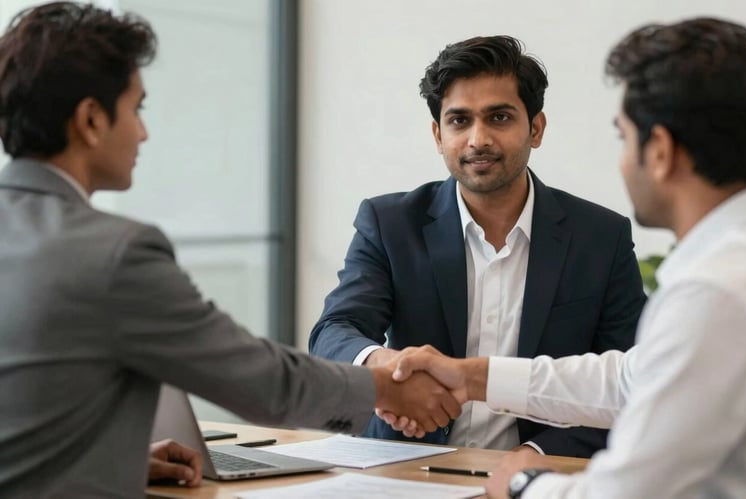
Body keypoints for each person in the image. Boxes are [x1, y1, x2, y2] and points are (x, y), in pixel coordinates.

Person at [0, 3, 461, 497]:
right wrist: (387, 386)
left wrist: (113, 458)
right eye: (136, 109)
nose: (143, 132)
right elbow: (264, 383)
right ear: (91, 120)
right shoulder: (114, 254)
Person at [389, 17, 746, 499]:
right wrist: (473, 377)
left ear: (661, 152)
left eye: (623, 136)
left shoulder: (716, 292)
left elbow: (628, 492)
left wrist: (523, 484)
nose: (622, 160)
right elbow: (629, 378)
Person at [308, 35, 646, 457]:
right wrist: (384, 365)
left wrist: (535, 457)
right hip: (405, 466)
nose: (477, 139)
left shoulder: (601, 237)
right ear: (438, 134)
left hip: (537, 473)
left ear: (535, 128)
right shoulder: (391, 223)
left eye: (499, 118)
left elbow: (634, 382)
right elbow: (334, 330)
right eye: (459, 121)